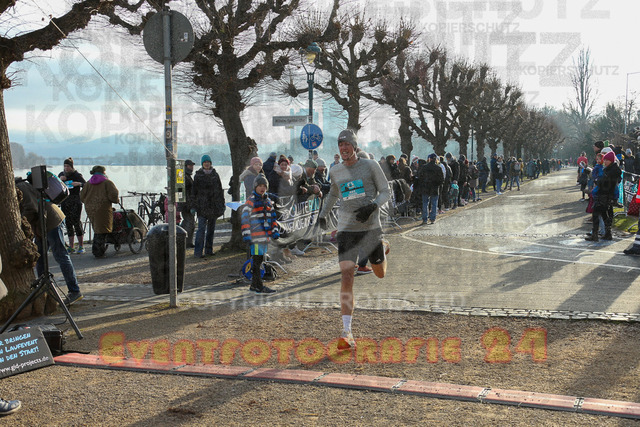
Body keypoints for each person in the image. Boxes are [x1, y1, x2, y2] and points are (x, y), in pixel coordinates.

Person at [317, 129, 391, 350]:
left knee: (380, 273)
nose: (344, 148)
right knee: (347, 275)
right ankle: (346, 331)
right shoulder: (335, 170)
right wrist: (323, 215)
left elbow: (385, 191)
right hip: (346, 229)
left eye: (347, 144)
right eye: (340, 145)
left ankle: (382, 247)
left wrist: (373, 206)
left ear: (354, 147)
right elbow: (333, 193)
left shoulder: (370, 166)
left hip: (370, 227)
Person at [17, 176, 83, 305]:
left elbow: (31, 208)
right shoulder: (20, 186)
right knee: (40, 256)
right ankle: (45, 289)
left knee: (60, 255)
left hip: (51, 221)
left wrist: (22, 225)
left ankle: (75, 291)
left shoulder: (20, 186)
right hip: (42, 224)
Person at [241, 174, 279, 294]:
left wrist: (274, 230)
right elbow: (245, 219)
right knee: (257, 261)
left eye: (264, 186)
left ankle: (254, 285)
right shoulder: (251, 201)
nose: (262, 188)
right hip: (255, 237)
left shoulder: (267, 201)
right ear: (255, 187)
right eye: (260, 186)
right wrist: (247, 235)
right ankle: (259, 286)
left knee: (260, 259)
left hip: (264, 237)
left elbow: (273, 217)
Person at [80, 165, 119, 258]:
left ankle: (98, 250)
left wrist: (89, 203)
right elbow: (113, 195)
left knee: (97, 228)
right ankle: (98, 251)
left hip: (90, 209)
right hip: (103, 209)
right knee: (102, 229)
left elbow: (81, 196)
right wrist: (116, 200)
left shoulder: (88, 183)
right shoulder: (107, 182)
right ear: (103, 172)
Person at [192, 154, 225, 258]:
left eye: (208, 162)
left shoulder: (215, 175)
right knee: (201, 230)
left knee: (211, 230)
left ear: (210, 163)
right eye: (205, 162)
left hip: (213, 206)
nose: (207, 164)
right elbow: (194, 192)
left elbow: (220, 191)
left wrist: (222, 204)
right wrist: (193, 206)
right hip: (202, 206)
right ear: (202, 164)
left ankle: (209, 250)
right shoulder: (198, 175)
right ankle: (198, 252)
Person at [585, 151, 622, 241]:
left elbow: (605, 183)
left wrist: (597, 181)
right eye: (604, 160)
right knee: (604, 214)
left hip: (605, 194)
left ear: (611, 160)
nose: (604, 162)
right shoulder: (611, 169)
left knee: (596, 213)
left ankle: (595, 235)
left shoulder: (612, 170)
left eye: (607, 160)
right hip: (606, 194)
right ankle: (607, 233)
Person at [58, 157, 86, 254]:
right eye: (65, 166)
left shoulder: (77, 175)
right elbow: (55, 185)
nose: (66, 168)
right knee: (68, 223)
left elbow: (86, 184)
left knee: (76, 222)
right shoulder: (61, 175)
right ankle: (71, 246)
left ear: (72, 167)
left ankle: (81, 246)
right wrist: (59, 180)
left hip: (75, 201)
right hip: (65, 201)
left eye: (68, 166)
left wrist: (79, 184)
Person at [416, 153, 443, 224]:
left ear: (429, 159)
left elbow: (420, 177)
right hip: (434, 188)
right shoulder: (438, 168)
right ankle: (432, 219)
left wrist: (423, 183)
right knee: (434, 204)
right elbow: (441, 179)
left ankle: (425, 219)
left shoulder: (424, 167)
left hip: (425, 187)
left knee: (425, 203)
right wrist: (437, 184)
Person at [179, 159, 196, 248]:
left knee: (190, 223)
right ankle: (185, 242)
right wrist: (189, 205)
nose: (192, 167)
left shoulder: (187, 176)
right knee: (189, 223)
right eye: (190, 165)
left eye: (192, 165)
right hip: (186, 205)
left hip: (187, 204)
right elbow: (184, 193)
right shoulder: (185, 177)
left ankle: (188, 242)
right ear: (186, 166)